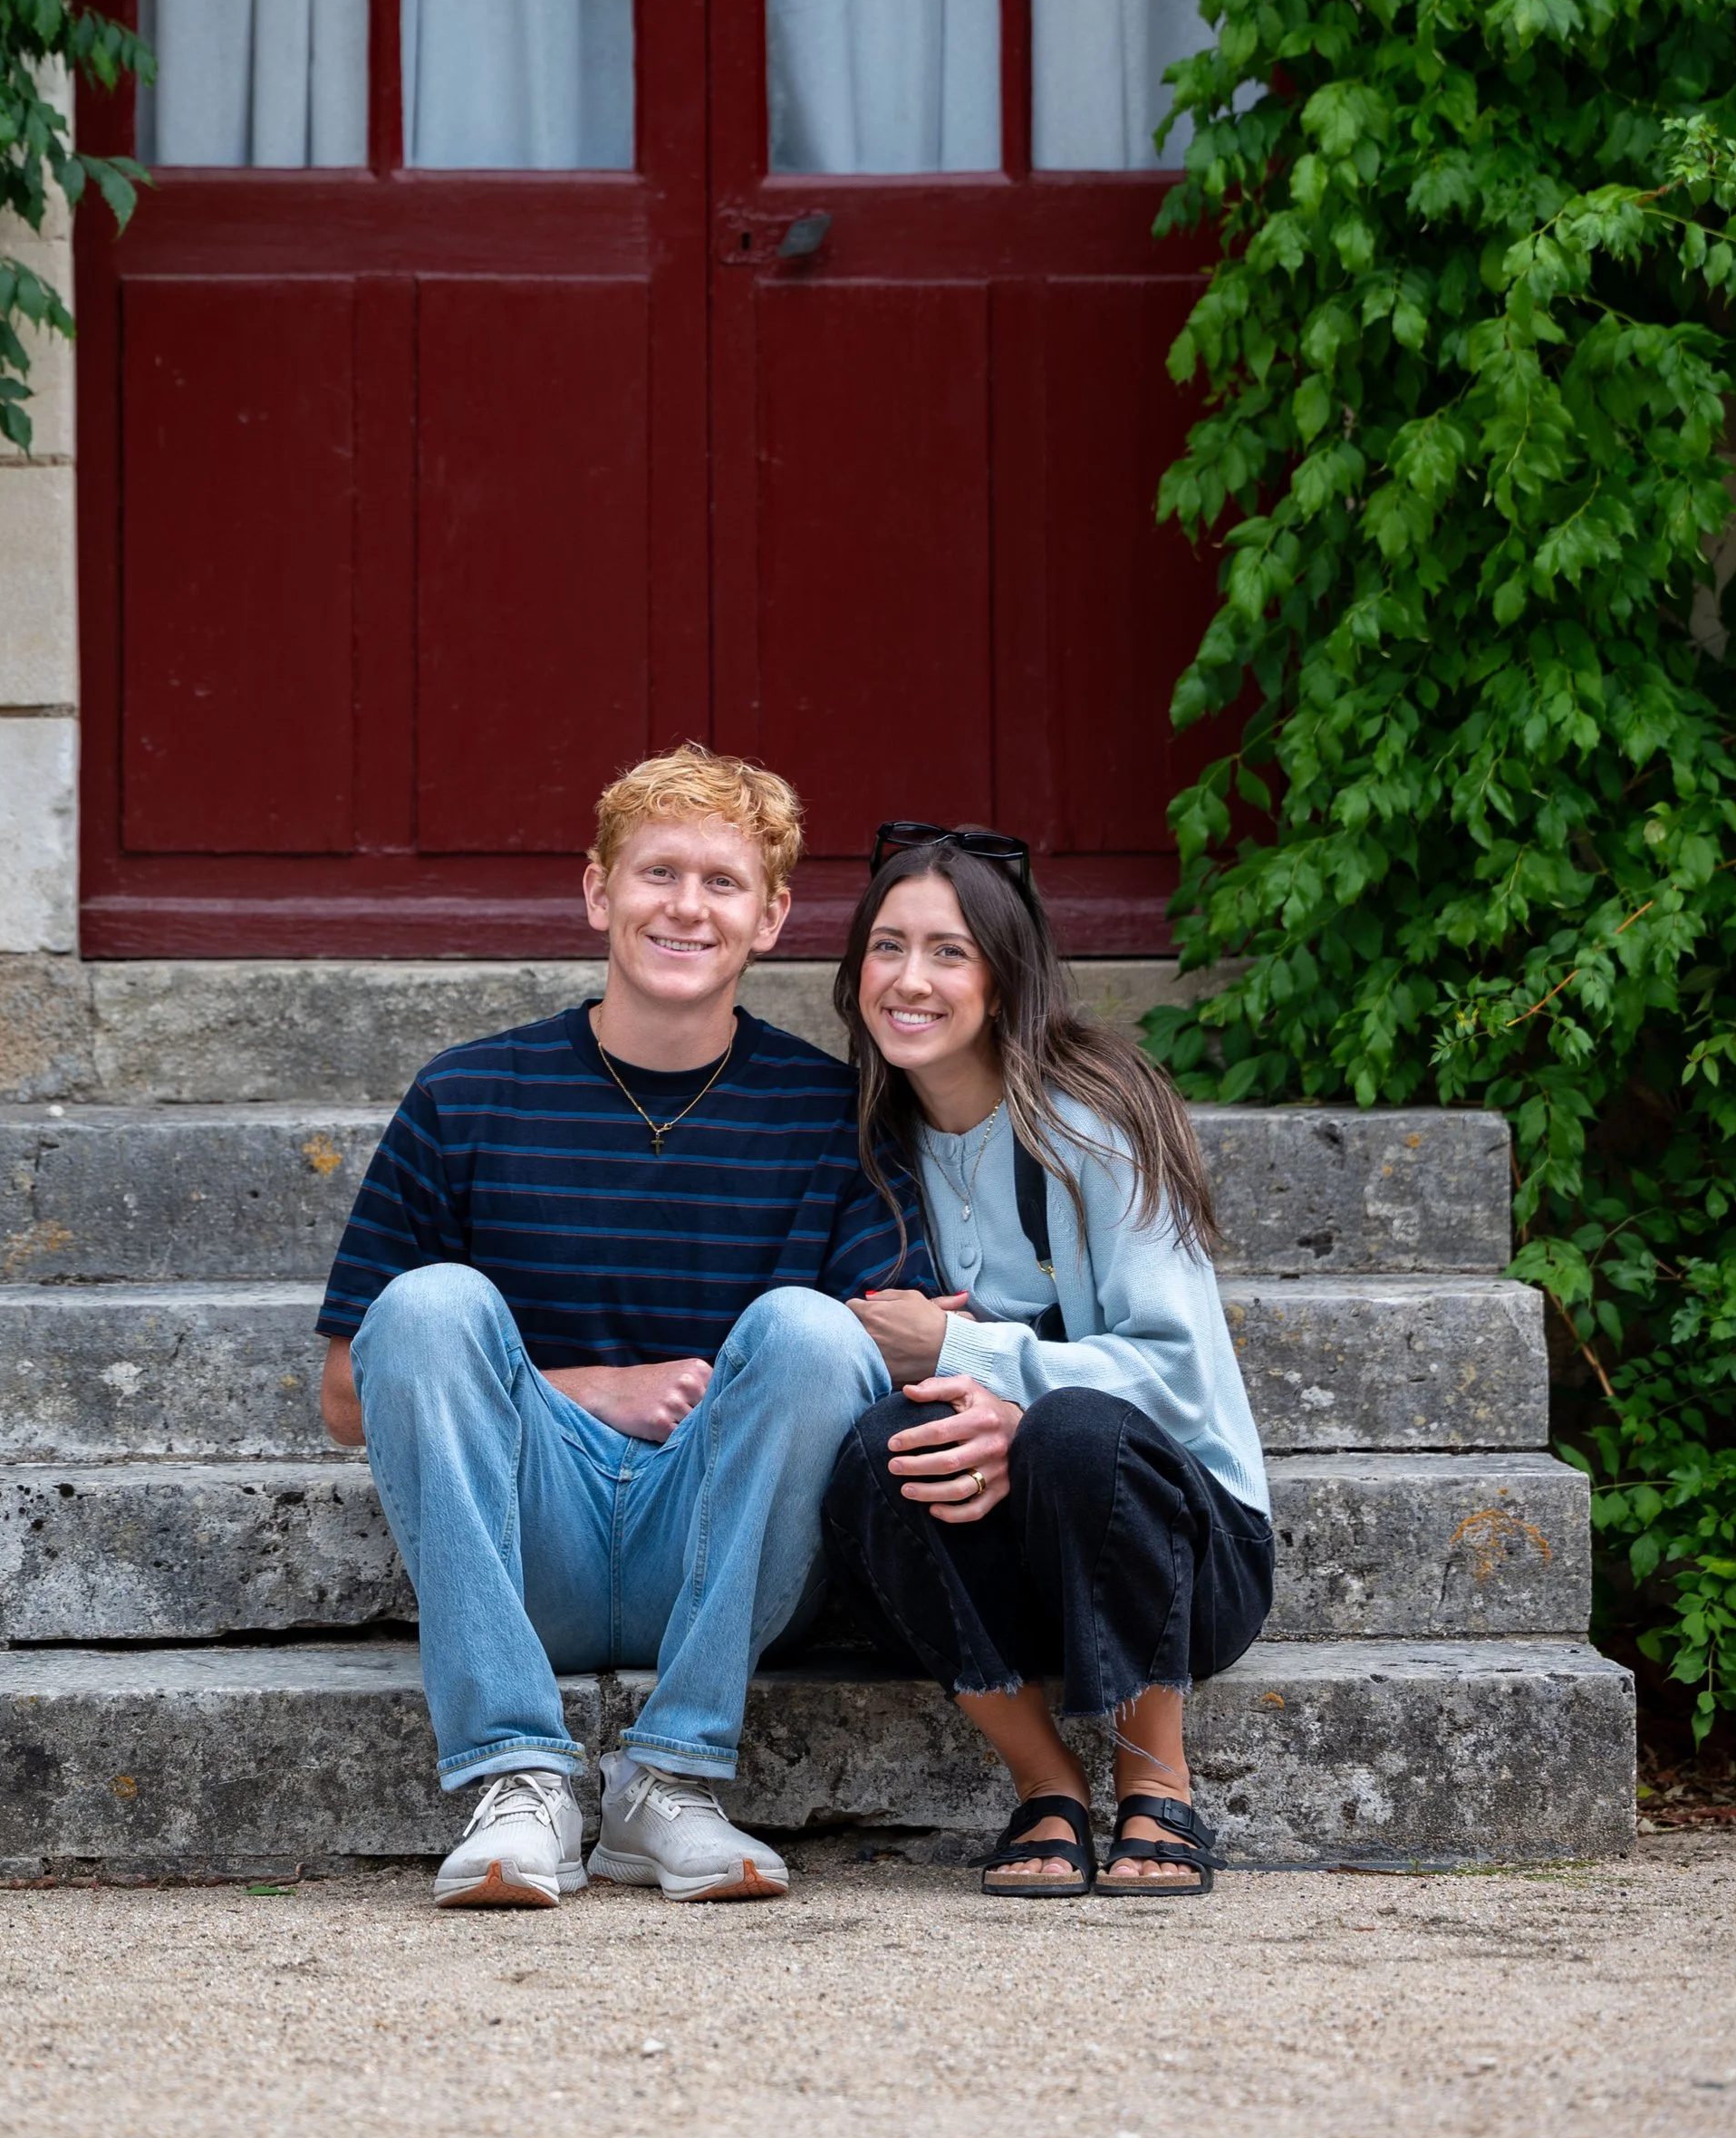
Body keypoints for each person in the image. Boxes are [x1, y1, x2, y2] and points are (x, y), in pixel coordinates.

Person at [317, 746, 924, 1911]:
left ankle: (672, 1783)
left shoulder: (835, 1116)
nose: (686, 906)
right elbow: (351, 1396)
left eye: (723, 881)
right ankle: (516, 1776)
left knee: (809, 1330)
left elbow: (865, 1366)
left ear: (773, 916)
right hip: (522, 1534)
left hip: (726, 1550)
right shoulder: (466, 1097)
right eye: (657, 872)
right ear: (599, 892)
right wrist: (587, 1388)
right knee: (431, 1301)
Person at [820, 823, 1272, 1899]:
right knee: (882, 1445)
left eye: (948, 950)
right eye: (887, 947)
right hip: (999, 1557)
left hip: (1178, 1549)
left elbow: (1177, 1372)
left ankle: (1157, 1783)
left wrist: (971, 1356)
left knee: (1073, 1430)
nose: (909, 979)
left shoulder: (1092, 1119)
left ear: (1003, 973)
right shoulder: (868, 1140)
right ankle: (1045, 1784)